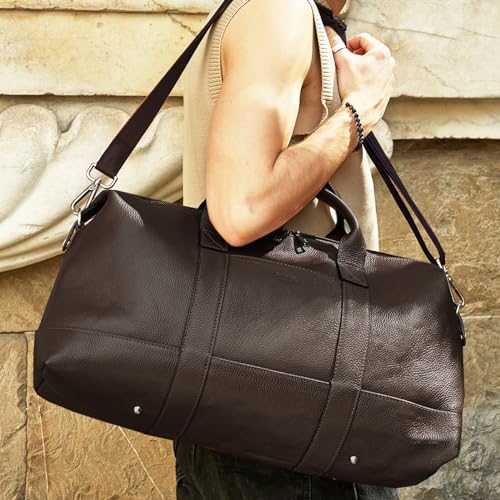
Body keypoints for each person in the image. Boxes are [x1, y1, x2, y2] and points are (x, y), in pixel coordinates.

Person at [175, 0, 397, 498]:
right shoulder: (277, 12)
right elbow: (242, 211)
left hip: (254, 386)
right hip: (290, 399)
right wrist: (360, 110)